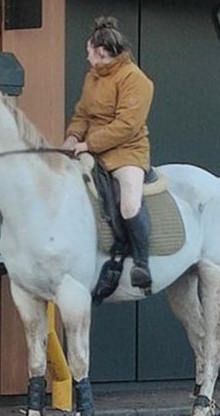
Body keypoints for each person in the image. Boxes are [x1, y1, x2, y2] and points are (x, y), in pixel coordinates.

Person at [63, 16, 156, 289]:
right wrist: (71, 137)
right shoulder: (92, 77)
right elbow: (82, 113)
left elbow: (127, 125)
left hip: (127, 152)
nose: (87, 57)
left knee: (128, 203)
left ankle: (141, 264)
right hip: (91, 149)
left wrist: (89, 144)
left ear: (101, 51)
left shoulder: (136, 80)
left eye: (89, 52)